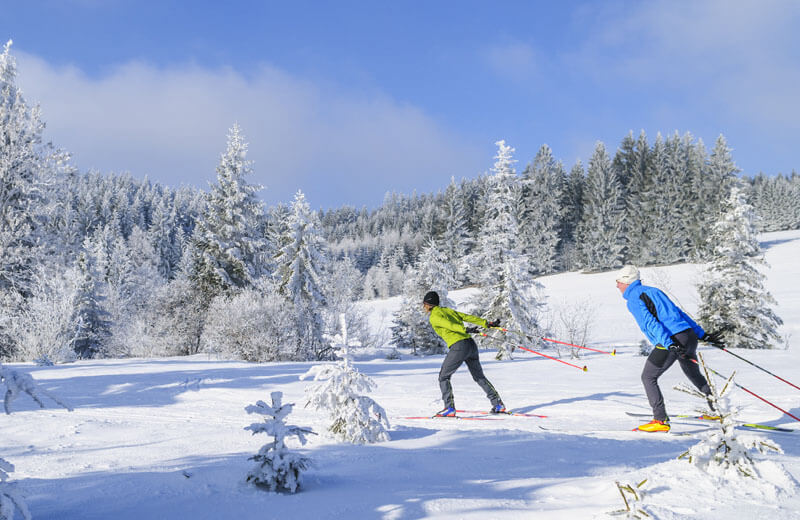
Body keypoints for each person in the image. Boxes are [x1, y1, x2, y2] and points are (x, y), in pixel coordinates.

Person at [616, 265, 723, 432]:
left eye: (618, 282)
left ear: (626, 282)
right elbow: (679, 313)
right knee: (692, 372)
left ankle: (660, 420)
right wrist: (700, 334)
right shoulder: (653, 291)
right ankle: (717, 411)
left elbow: (650, 323)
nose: (617, 286)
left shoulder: (634, 299)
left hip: (672, 339)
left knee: (648, 377)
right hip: (688, 335)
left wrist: (669, 344)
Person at [422, 291, 505, 417]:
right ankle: (498, 404)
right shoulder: (447, 311)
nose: (423, 307)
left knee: (443, 377)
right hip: (470, 344)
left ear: (428, 304)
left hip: (459, 346)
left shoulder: (434, 316)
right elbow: (466, 317)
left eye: (424, 304)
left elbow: (449, 325)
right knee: (479, 376)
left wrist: (464, 329)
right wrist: (486, 323)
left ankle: (449, 408)